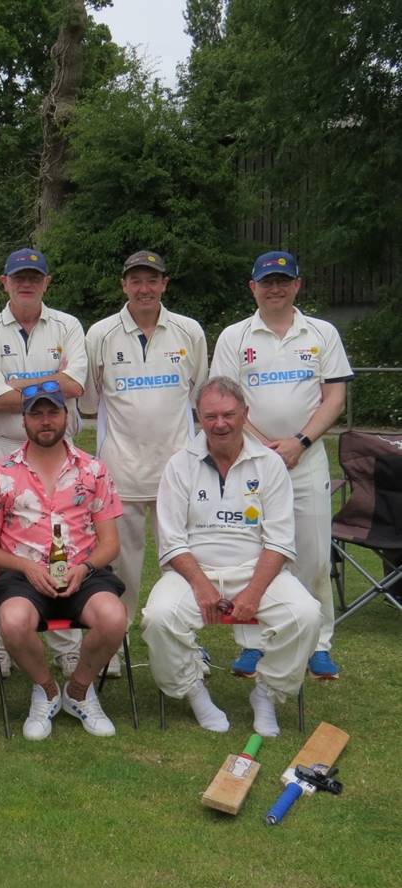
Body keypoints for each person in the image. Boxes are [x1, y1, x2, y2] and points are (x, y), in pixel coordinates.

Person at [141, 378, 321, 736]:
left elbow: (280, 541)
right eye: (210, 416)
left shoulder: (270, 464)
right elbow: (172, 540)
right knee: (159, 618)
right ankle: (194, 691)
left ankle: (267, 693)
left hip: (256, 572)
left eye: (228, 414)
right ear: (198, 417)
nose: (219, 423)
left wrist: (252, 594)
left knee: (306, 614)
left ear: (245, 414)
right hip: (194, 572)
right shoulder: (180, 465)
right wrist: (202, 584)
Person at [210, 251, 352, 679]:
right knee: (254, 555)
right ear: (252, 287)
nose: (275, 288)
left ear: (297, 285)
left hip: (306, 461)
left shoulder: (321, 333)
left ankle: (317, 643)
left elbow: (334, 398)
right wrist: (265, 448)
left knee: (312, 557)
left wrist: (300, 442)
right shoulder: (235, 336)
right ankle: (255, 643)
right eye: (266, 282)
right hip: (251, 462)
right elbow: (226, 403)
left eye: (283, 281)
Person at [0, 382, 127, 740]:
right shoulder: (1, 473)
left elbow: (110, 543)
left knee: (114, 617)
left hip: (82, 571)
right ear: (23, 420)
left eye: (53, 412)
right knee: (12, 622)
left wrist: (84, 568)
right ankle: (46, 689)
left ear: (66, 416)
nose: (45, 421)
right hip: (25, 575)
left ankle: (79, 690)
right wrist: (26, 567)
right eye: (36, 413)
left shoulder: (93, 470)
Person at [81, 251, 208, 675]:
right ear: (124, 286)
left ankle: (187, 644)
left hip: (177, 475)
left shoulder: (188, 332)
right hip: (120, 472)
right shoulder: (101, 334)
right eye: (136, 280)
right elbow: (90, 401)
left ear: (164, 284)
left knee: (183, 561)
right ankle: (112, 645)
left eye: (152, 280)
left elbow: (198, 396)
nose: (144, 288)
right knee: (121, 566)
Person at [0, 248, 87, 676]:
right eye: (18, 276)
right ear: (4, 281)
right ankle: (1, 639)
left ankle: (66, 643)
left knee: (65, 539)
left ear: (46, 281)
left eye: (34, 277)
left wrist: (19, 384)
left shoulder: (68, 326)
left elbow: (76, 383)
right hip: (4, 448)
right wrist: (49, 384)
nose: (26, 283)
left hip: (59, 448)